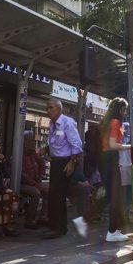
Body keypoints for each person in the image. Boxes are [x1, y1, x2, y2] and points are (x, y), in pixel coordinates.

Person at [41, 98, 88, 239]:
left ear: (59, 109)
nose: (48, 111)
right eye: (47, 108)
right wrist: (45, 149)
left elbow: (77, 145)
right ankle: (55, 225)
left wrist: (72, 163)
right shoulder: (52, 124)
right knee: (54, 195)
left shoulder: (67, 123)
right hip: (56, 163)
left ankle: (59, 228)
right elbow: (58, 144)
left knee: (58, 195)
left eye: (51, 108)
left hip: (65, 163)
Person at [99, 97, 131, 242]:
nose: (125, 113)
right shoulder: (116, 122)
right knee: (115, 196)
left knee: (112, 196)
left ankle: (114, 230)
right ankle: (112, 231)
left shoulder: (107, 122)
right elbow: (113, 144)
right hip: (111, 158)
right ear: (120, 110)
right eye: (124, 110)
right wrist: (131, 146)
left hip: (105, 159)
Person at [21, 132, 49, 229]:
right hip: (23, 184)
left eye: (33, 141)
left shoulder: (33, 155)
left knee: (47, 191)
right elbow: (23, 176)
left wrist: (40, 176)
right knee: (36, 193)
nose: (32, 143)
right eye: (29, 141)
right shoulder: (20, 155)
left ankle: (43, 217)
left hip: (34, 182)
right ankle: (29, 220)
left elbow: (42, 163)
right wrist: (36, 184)